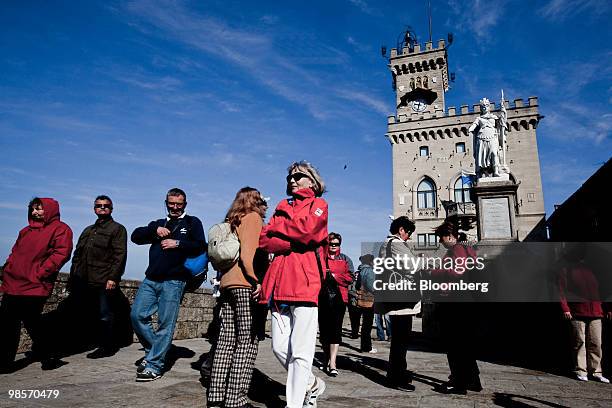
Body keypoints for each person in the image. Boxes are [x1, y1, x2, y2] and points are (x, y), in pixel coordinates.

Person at [259, 161, 328, 408]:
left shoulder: (319, 204)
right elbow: (264, 240)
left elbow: (310, 232)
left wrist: (280, 231)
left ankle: (295, 404)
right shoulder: (282, 205)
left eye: (298, 176)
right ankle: (311, 384)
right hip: (278, 285)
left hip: (305, 283)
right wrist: (291, 240)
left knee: (301, 352)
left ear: (312, 180)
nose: (292, 180)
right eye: (290, 176)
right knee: (279, 347)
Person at [130, 188, 206, 382]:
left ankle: (155, 365)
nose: (174, 207)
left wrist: (177, 243)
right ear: (166, 203)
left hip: (175, 281)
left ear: (184, 205)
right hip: (151, 278)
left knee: (165, 324)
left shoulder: (192, 222)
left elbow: (201, 246)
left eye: (178, 204)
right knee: (137, 315)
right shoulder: (158, 223)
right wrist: (154, 231)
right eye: (171, 203)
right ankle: (155, 352)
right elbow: (136, 236)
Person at [207, 187, 268, 407]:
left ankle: (215, 397)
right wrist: (255, 280)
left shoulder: (233, 219)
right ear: (254, 200)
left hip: (227, 285)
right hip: (244, 284)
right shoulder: (252, 218)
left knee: (225, 341)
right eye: (261, 198)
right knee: (246, 342)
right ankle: (236, 400)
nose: (264, 203)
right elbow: (247, 254)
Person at [0, 197, 73, 372]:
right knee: (7, 324)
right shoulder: (25, 231)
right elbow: (15, 252)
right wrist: (8, 268)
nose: (35, 212)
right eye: (33, 209)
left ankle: (49, 354)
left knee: (33, 323)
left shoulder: (61, 229)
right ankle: (4, 363)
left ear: (49, 210)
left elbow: (61, 253)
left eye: (39, 209)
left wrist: (40, 273)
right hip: (13, 283)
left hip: (35, 285)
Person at [69, 195, 127, 358]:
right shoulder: (88, 230)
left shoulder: (117, 229)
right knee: (86, 312)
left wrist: (113, 278)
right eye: (99, 206)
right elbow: (77, 254)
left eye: (106, 206)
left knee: (104, 314)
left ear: (111, 208)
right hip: (83, 279)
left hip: (103, 279)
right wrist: (74, 276)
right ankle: (86, 342)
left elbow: (119, 255)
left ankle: (106, 347)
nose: (102, 208)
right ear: (94, 208)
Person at [429, 221, 482, 394]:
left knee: (455, 344)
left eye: (442, 238)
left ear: (450, 236)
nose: (441, 242)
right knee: (465, 344)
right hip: (466, 301)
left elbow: (456, 272)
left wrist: (435, 271)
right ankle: (473, 381)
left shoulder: (457, 249)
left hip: (455, 302)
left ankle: (459, 383)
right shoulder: (468, 249)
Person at [376, 216, 419, 391]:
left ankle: (398, 373)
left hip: (394, 296)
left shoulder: (385, 245)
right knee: (401, 340)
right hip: (401, 299)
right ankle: (396, 377)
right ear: (401, 230)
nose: (408, 236)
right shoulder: (396, 244)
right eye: (408, 232)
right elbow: (411, 266)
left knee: (400, 340)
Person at [558, 246, 610, 383]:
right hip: (577, 311)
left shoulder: (595, 271)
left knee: (596, 343)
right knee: (579, 342)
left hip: (596, 311)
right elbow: (561, 292)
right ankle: (581, 370)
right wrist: (565, 309)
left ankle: (596, 371)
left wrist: (608, 308)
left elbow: (604, 291)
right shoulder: (566, 271)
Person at [318, 232, 352, 377]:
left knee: (336, 330)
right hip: (322, 298)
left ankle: (333, 363)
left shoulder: (345, 259)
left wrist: (334, 276)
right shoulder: (320, 258)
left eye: (336, 244)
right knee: (324, 331)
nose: (333, 246)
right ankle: (326, 359)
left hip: (340, 299)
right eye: (331, 244)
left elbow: (350, 277)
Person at [356, 254, 376, 354]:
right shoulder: (370, 271)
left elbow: (357, 285)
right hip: (369, 300)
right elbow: (371, 286)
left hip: (362, 299)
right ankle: (367, 347)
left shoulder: (361, 271)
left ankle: (364, 346)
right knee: (368, 325)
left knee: (364, 325)